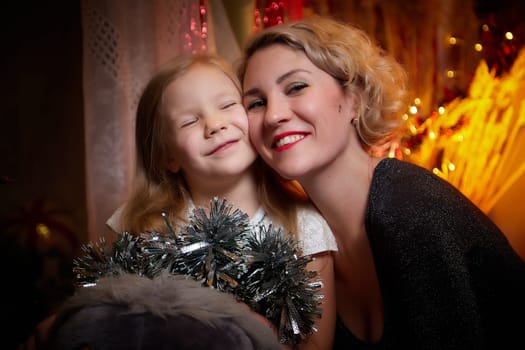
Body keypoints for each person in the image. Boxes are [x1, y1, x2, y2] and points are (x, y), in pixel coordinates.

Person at [238, 15, 525, 349]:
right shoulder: (303, 239)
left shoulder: (407, 205)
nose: (273, 115)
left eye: (296, 87)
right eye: (256, 103)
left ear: (354, 100)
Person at [102, 53, 337, 349]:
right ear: (168, 156)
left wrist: (259, 333)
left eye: (227, 105)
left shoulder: (305, 228)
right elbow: (106, 321)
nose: (214, 124)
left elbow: (315, 345)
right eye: (189, 121)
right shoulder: (143, 224)